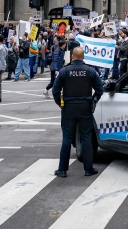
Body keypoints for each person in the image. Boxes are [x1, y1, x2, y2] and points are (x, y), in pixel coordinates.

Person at [52, 47, 103, 178]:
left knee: (67, 139)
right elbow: (100, 89)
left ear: (72, 56)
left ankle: (62, 170)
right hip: (85, 107)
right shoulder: (90, 71)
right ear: (83, 57)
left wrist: (61, 104)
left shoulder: (64, 71)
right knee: (86, 138)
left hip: (69, 107)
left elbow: (55, 91)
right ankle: (88, 169)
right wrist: (93, 101)